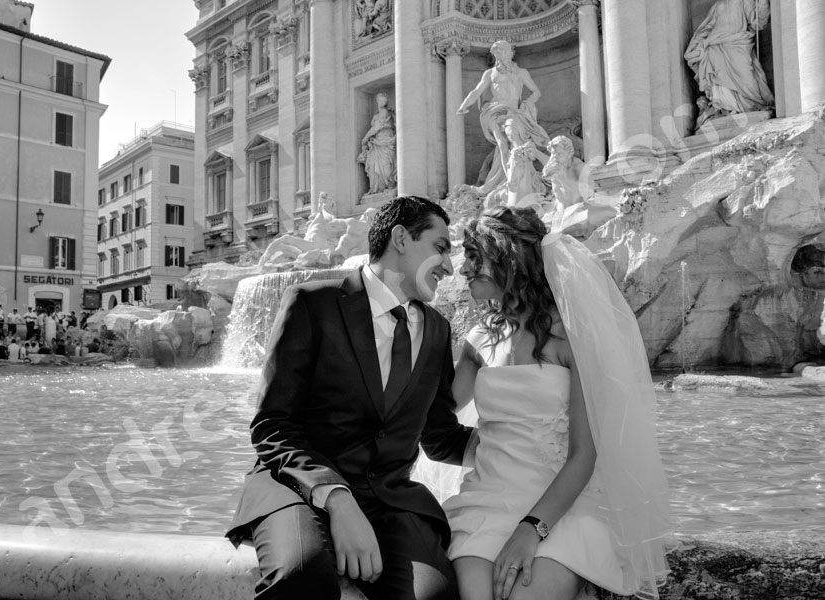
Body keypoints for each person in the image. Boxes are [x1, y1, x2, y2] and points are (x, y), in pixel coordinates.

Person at [227, 196, 474, 600]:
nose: (449, 266)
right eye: (441, 247)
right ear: (400, 239)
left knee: (434, 595)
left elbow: (439, 434)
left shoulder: (436, 330)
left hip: (389, 501)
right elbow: (272, 425)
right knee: (302, 577)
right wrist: (338, 501)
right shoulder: (311, 303)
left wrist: (513, 440)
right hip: (298, 487)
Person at [442, 207, 671, 600]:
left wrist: (531, 529)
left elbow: (585, 455)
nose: (463, 269)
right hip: (487, 501)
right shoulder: (478, 339)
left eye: (475, 256)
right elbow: (432, 412)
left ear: (508, 259)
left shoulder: (572, 339)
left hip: (564, 509)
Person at [458, 40, 550, 196]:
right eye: (497, 53)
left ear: (510, 53)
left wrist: (526, 104)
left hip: (514, 111)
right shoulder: (490, 73)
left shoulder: (521, 72)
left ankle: (522, 178)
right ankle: (511, 182)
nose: (499, 55)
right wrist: (464, 105)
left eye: (502, 51)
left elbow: (536, 92)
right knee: (501, 144)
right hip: (494, 111)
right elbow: (476, 91)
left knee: (515, 139)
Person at [684, 0, 773, 116]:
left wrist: (762, 3)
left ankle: (752, 107)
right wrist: (695, 45)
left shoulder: (744, 1)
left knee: (746, 77)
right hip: (715, 46)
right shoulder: (717, 5)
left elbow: (758, 23)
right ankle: (727, 109)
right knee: (719, 79)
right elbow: (707, 28)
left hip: (738, 43)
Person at [358, 92, 398, 195]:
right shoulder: (376, 114)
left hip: (386, 139)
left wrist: (365, 138)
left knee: (386, 166)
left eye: (384, 100)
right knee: (374, 165)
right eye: (380, 100)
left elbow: (377, 127)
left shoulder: (385, 112)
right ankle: (377, 189)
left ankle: (388, 186)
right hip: (377, 142)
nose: (382, 102)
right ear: (377, 100)